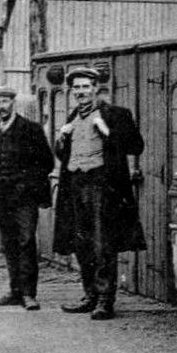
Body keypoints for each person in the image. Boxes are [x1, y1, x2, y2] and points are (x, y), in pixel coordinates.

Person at [52, 66, 146, 320]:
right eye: (76, 88)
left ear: (95, 88)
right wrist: (62, 138)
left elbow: (136, 146)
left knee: (102, 243)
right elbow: (64, 155)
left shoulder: (115, 114)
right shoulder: (72, 117)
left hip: (102, 188)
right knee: (81, 243)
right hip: (75, 185)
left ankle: (105, 300)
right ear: (71, 91)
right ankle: (90, 295)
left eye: (85, 86)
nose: (81, 92)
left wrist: (106, 130)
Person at [0, 86, 55, 311]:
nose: (2, 106)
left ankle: (29, 294)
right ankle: (15, 291)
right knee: (9, 243)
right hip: (2, 198)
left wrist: (27, 184)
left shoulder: (31, 129)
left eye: (5, 101)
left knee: (26, 241)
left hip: (25, 198)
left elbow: (46, 162)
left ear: (13, 103)